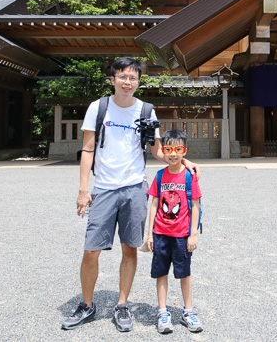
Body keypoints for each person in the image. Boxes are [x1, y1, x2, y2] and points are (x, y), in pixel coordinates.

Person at [61, 57, 199, 332]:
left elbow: (158, 151)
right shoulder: (98, 108)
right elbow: (88, 149)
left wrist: (183, 161)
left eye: (133, 78)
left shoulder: (147, 111)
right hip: (104, 188)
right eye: (122, 77)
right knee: (91, 250)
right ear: (113, 79)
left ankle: (122, 304)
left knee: (130, 248)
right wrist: (83, 189)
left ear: (138, 81)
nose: (127, 82)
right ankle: (87, 305)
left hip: (135, 187)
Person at [145, 129, 203, 334]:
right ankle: (162, 311)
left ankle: (188, 311)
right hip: (160, 232)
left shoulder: (189, 176)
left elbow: (195, 205)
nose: (173, 153)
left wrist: (193, 234)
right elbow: (153, 204)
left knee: (184, 273)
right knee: (161, 272)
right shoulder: (159, 175)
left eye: (178, 149)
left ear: (184, 151)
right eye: (168, 149)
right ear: (163, 150)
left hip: (182, 234)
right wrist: (150, 234)